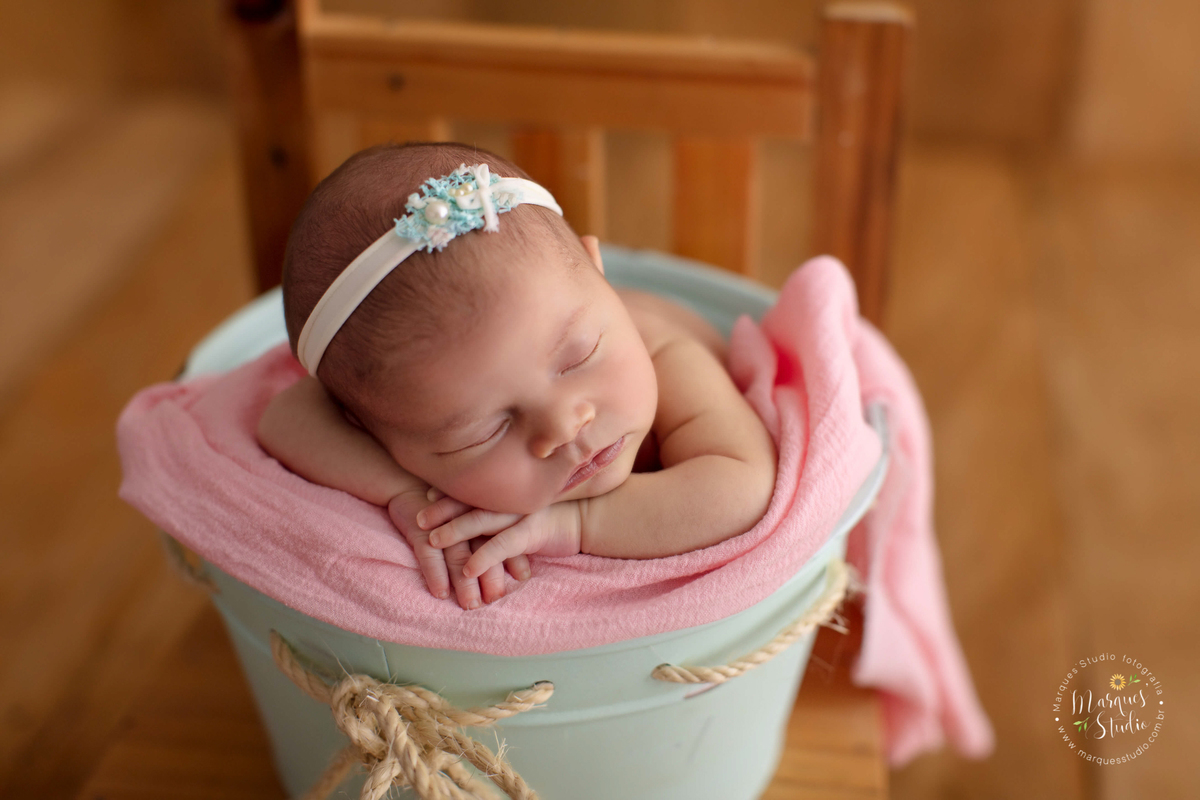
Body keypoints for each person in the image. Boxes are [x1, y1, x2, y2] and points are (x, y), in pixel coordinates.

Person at [257, 142, 776, 610]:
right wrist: (404, 493)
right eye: (485, 431)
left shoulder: (666, 354)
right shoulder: (410, 406)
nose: (564, 426)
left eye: (578, 357)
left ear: (598, 272)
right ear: (368, 429)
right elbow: (285, 416)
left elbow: (741, 485)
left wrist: (571, 524)